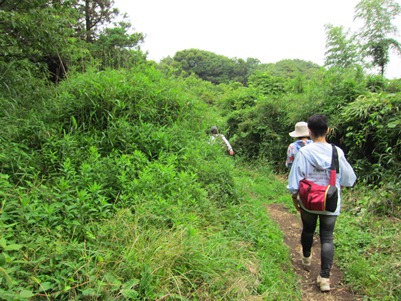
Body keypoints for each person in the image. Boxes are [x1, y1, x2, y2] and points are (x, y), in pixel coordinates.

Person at [287, 114, 356, 292]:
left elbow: (294, 183)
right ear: (328, 130)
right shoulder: (337, 152)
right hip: (330, 201)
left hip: (309, 201)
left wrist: (295, 199)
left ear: (309, 131)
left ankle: (306, 258)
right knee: (327, 237)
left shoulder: (304, 152)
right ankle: (325, 278)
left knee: (308, 230)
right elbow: (349, 179)